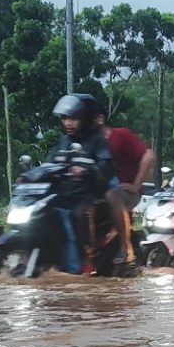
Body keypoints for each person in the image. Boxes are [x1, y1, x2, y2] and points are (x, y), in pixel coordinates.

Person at [47, 94, 114, 274]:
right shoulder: (62, 142)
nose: (68, 123)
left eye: (74, 118)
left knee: (79, 214)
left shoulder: (97, 141)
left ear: (85, 119)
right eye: (65, 118)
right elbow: (48, 164)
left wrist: (87, 170)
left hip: (87, 196)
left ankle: (88, 258)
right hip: (62, 196)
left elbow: (105, 167)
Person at [97, 108, 156, 277]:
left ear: (100, 118)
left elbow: (148, 155)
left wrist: (136, 185)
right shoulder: (89, 141)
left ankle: (127, 251)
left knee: (134, 224)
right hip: (103, 196)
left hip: (128, 197)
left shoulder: (121, 135)